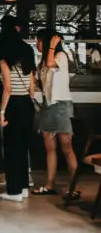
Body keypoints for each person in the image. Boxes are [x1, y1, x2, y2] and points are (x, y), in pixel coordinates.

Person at [32, 28, 79, 199]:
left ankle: (73, 187)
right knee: (50, 148)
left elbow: (53, 65)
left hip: (61, 106)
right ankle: (50, 184)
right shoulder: (43, 61)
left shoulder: (60, 57)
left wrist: (52, 46)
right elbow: (42, 83)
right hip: (48, 106)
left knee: (67, 148)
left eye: (39, 40)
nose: (36, 44)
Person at [0, 23, 36, 202]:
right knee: (22, 147)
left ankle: (14, 191)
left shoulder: (5, 61)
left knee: (11, 148)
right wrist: (28, 98)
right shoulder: (28, 56)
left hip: (13, 105)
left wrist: (2, 111)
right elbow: (32, 86)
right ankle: (23, 187)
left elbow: (7, 88)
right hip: (27, 104)